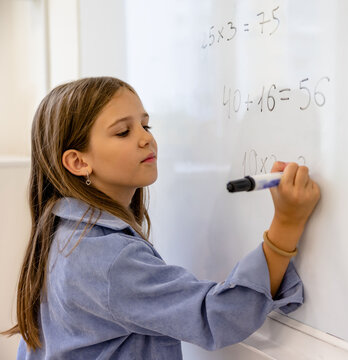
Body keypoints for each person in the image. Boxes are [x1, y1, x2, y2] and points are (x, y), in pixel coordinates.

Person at [1, 77, 320, 359]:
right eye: (124, 131)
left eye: (146, 125)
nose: (146, 138)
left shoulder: (65, 234)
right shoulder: (106, 257)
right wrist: (287, 224)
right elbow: (217, 317)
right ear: (78, 162)